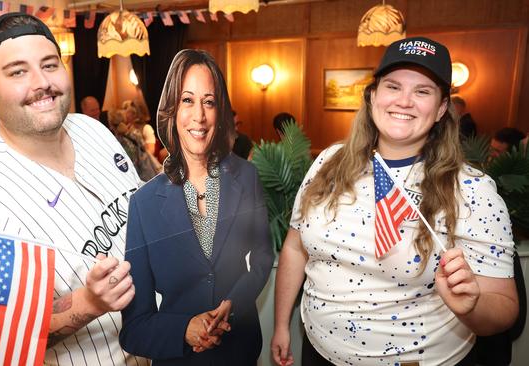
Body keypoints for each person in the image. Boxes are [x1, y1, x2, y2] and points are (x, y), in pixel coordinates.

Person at [271, 36, 518, 366]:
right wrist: (280, 325)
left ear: (442, 107)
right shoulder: (329, 160)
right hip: (317, 352)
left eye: (422, 91)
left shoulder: (472, 189)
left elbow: (505, 307)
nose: (404, 101)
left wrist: (472, 306)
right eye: (393, 86)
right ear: (373, 96)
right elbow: (294, 247)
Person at [0, 12, 148, 365]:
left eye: (50, 65)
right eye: (18, 71)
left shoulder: (91, 130)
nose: (41, 82)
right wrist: (87, 304)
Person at [120, 49, 274, 365]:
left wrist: (235, 300)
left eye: (209, 101)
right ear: (171, 112)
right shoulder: (144, 204)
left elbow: (262, 257)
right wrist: (184, 330)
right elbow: (134, 327)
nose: (199, 116)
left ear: (220, 111)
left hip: (241, 351)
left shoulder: (246, 177)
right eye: (187, 101)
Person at [109, 109, 162, 182]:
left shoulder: (115, 143)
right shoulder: (136, 134)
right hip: (149, 175)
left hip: (136, 180)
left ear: (111, 126)